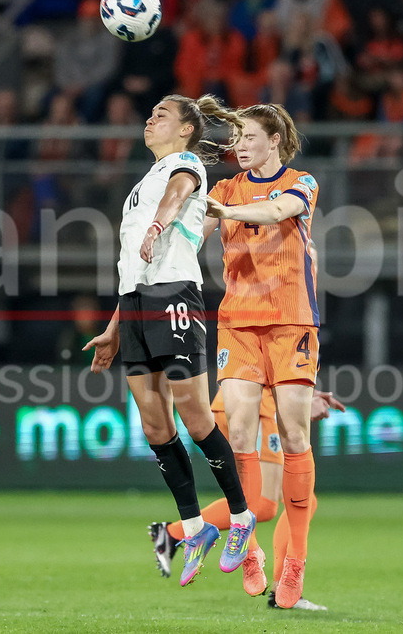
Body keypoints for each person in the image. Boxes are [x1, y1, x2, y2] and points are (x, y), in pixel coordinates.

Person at [83, 94, 256, 588]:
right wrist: (115, 330)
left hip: (174, 294)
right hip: (136, 302)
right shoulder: (141, 183)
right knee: (154, 425)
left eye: (161, 113)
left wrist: (160, 223)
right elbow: (132, 264)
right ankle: (197, 526)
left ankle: (241, 518)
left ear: (185, 131)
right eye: (151, 111)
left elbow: (179, 192)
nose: (150, 117)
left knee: (194, 413)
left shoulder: (182, 165)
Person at [202, 102, 320, 609]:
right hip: (238, 324)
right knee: (241, 434)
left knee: (294, 432)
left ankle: (295, 562)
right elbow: (196, 235)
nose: (241, 145)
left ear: (275, 140)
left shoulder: (302, 182)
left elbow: (276, 211)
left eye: (249, 136)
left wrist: (223, 214)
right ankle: (248, 550)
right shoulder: (221, 189)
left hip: (292, 321)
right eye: (237, 138)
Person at [149, 386, 344, 611]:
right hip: (255, 407)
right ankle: (172, 533)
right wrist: (300, 401)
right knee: (267, 504)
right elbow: (270, 361)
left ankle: (282, 589)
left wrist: (306, 393)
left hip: (246, 402)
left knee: (302, 499)